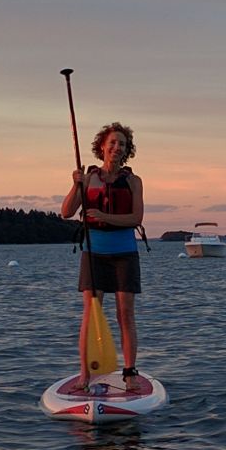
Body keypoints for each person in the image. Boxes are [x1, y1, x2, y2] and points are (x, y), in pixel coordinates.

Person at [61, 122, 144, 390]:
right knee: (91, 312)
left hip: (124, 253)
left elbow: (136, 217)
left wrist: (105, 216)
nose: (117, 147)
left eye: (122, 144)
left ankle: (129, 373)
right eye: (112, 143)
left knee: (125, 314)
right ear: (102, 147)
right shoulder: (88, 179)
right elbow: (66, 212)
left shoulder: (133, 181)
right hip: (93, 252)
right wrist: (76, 185)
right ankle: (85, 374)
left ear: (126, 150)